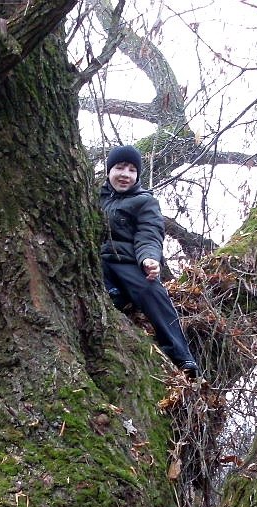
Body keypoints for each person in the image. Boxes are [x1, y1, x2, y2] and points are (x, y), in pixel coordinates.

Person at [100, 144, 199, 378]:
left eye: (132, 170)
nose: (125, 174)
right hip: (97, 260)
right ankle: (115, 296)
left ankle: (182, 355)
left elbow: (149, 234)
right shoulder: (92, 196)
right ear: (108, 171)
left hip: (126, 261)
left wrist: (149, 259)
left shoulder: (144, 201)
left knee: (151, 291)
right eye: (120, 167)